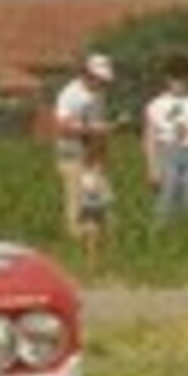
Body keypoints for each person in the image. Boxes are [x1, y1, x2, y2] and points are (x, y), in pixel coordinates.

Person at [143, 54, 188, 225]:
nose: (180, 83)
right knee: (166, 199)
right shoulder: (156, 105)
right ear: (167, 79)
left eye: (184, 79)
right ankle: (163, 232)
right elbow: (150, 137)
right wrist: (152, 167)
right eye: (175, 78)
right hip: (167, 152)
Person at [53, 53, 115, 238]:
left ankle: (102, 237)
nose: (101, 83)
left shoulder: (99, 94)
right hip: (72, 152)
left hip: (93, 153)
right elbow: (62, 126)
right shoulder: (69, 94)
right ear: (87, 74)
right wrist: (91, 130)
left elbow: (98, 123)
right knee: (76, 199)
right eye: (99, 79)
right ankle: (75, 238)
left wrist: (102, 153)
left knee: (102, 198)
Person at [77, 135, 114, 273]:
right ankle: (91, 263)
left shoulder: (104, 177)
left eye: (102, 164)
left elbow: (108, 196)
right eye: (98, 164)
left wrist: (109, 203)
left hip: (101, 208)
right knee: (92, 235)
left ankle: (102, 261)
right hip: (89, 209)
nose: (101, 167)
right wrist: (98, 183)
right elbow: (89, 190)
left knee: (103, 235)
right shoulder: (87, 176)